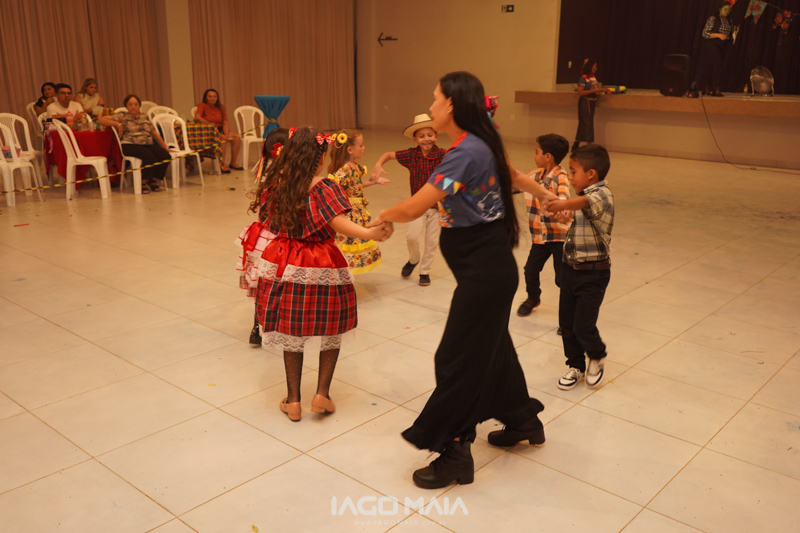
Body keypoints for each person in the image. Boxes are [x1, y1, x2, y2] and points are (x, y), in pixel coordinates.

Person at [373, 72, 553, 490]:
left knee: (456, 360)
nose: (431, 107)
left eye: (435, 99)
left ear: (451, 104)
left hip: (484, 275)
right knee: (494, 352)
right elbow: (516, 176)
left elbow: (416, 206)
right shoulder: (481, 140)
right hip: (490, 270)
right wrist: (546, 196)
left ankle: (455, 453)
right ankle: (523, 421)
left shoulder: (464, 153)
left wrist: (381, 217)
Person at [255, 126, 389, 421]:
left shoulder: (277, 184)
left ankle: (293, 401)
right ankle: (321, 395)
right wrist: (370, 233)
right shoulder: (324, 187)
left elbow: (267, 221)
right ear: (317, 157)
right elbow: (338, 222)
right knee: (330, 327)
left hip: (284, 259)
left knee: (292, 330)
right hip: (320, 261)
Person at [543, 144, 614, 391]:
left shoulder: (601, 194)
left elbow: (584, 202)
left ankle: (597, 355)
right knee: (567, 324)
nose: (570, 177)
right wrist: (567, 216)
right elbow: (582, 215)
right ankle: (575, 365)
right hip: (570, 269)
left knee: (583, 325)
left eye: (573, 171)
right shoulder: (583, 200)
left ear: (591, 174)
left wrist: (562, 205)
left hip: (593, 273)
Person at [371, 114, 446, 286]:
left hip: (438, 208)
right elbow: (388, 154)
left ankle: (424, 271)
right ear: (415, 139)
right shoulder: (411, 155)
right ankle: (413, 260)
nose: (426, 139)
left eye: (430, 135)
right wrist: (378, 164)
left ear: (436, 136)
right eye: (421, 136)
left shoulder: (443, 155)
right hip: (417, 207)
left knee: (432, 243)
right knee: (412, 237)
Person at [238, 127, 290, 345]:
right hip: (278, 239)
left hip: (263, 237)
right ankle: (277, 325)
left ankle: (257, 328)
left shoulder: (269, 173)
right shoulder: (288, 177)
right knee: (279, 284)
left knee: (262, 285)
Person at [517, 133, 571, 318]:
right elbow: (517, 184)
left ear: (548, 156)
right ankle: (533, 298)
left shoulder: (560, 176)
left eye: (536, 152)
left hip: (558, 237)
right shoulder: (535, 175)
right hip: (540, 237)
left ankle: (568, 313)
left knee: (561, 279)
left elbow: (563, 195)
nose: (534, 155)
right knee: (530, 271)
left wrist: (562, 208)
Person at [327, 129, 385, 274]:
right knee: (348, 242)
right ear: (350, 150)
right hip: (350, 212)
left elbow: (355, 185)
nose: (363, 148)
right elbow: (334, 186)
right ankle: (342, 272)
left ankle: (346, 274)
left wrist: (373, 182)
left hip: (358, 210)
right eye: (361, 145)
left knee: (356, 240)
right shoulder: (345, 170)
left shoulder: (355, 166)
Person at [97, 94, 172, 193]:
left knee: (165, 155)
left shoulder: (144, 116)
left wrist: (166, 147)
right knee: (149, 156)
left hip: (147, 144)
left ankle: (153, 179)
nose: (133, 107)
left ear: (139, 105)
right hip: (129, 144)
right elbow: (101, 120)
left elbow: (155, 135)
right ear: (126, 106)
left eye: (136, 104)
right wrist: (118, 124)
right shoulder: (122, 115)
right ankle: (142, 182)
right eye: (130, 104)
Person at [194, 88, 242, 173]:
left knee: (236, 138)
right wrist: (210, 124)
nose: (212, 98)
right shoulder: (202, 105)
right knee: (223, 139)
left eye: (214, 96)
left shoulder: (221, 107)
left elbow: (225, 122)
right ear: (206, 98)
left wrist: (226, 134)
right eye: (210, 96)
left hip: (220, 129)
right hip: (209, 130)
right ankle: (222, 165)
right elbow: (197, 117)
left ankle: (233, 162)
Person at [692, 1, 733, 97]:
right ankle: (715, 88)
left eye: (728, 10)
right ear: (720, 9)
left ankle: (707, 87)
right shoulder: (713, 19)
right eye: (725, 9)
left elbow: (728, 35)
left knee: (715, 67)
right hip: (712, 44)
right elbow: (705, 33)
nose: (727, 11)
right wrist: (718, 35)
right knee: (717, 65)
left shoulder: (729, 21)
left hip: (723, 46)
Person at [572, 59, 609, 152]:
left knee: (584, 123)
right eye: (595, 66)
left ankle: (576, 143)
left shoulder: (593, 78)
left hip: (592, 101)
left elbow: (594, 88)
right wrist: (595, 91)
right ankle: (589, 145)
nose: (596, 68)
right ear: (590, 67)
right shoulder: (583, 78)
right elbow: (580, 92)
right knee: (588, 123)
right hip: (585, 102)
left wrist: (602, 89)